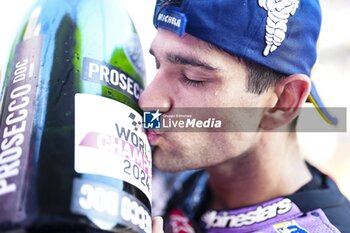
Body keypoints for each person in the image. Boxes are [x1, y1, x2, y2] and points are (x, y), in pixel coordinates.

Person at [144, 0, 350, 232]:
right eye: (157, 64)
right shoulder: (164, 157)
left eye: (193, 78)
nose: (147, 100)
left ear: (282, 103)